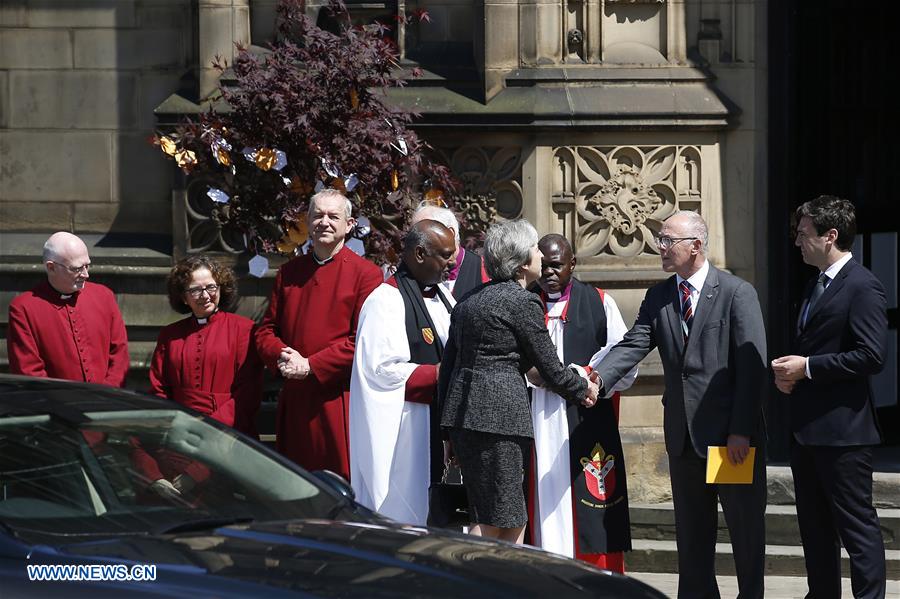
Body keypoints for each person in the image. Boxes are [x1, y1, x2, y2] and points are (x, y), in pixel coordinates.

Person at [592, 211, 767, 599]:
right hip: (683, 439)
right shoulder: (659, 297)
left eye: (668, 240)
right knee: (692, 540)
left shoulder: (737, 293)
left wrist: (741, 430)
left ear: (696, 246)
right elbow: (634, 344)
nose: (660, 247)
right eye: (661, 239)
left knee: (745, 534)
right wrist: (597, 379)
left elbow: (752, 370)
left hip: (730, 441)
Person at [439, 219, 599, 545]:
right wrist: (584, 388)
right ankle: (482, 573)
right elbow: (550, 367)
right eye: (536, 249)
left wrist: (447, 432)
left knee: (488, 511)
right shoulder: (522, 302)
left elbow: (448, 370)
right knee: (505, 518)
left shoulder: (468, 301)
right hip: (500, 421)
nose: (541, 255)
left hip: (464, 419)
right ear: (523, 262)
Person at [772, 195, 887, 599]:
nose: (796, 242)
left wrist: (808, 367)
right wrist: (791, 376)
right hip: (807, 432)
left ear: (830, 236)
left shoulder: (862, 286)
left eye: (803, 234)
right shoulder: (815, 284)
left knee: (857, 530)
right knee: (815, 531)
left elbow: (872, 355)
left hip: (844, 435)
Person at [255, 189, 383, 480]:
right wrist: (283, 356)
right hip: (295, 399)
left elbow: (362, 341)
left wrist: (311, 365)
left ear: (349, 225)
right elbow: (266, 331)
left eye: (333, 216)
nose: (324, 222)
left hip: (337, 399)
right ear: (308, 221)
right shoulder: (289, 272)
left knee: (339, 486)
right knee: (294, 485)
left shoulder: (366, 275)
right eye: (317, 215)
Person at [529, 233, 637, 573]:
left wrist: (586, 375)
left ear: (572, 264)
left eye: (556, 265)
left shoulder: (600, 303)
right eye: (543, 266)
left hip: (586, 424)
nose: (549, 273)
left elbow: (625, 364)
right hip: (535, 421)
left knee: (590, 515)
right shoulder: (523, 302)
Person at [349, 220, 457, 525]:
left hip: (441, 424)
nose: (452, 262)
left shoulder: (446, 298)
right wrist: (438, 373)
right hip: (409, 428)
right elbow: (379, 371)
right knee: (408, 516)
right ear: (420, 254)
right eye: (445, 255)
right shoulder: (384, 301)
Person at [149, 255, 263, 436]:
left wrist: (211, 427)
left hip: (229, 432)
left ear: (221, 288)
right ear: (184, 297)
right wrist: (175, 425)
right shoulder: (169, 335)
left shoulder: (244, 330)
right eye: (195, 290)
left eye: (211, 287)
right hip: (180, 430)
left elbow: (248, 391)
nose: (205, 295)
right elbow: (159, 387)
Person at [7, 231, 129, 387]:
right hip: (55, 401)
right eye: (76, 269)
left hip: (107, 398)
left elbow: (120, 354)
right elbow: (28, 369)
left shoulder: (104, 296)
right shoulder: (23, 308)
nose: (85, 274)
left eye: (87, 265)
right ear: (51, 267)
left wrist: (106, 393)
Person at [410, 202, 489, 299]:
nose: (414, 244)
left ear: (450, 233)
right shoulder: (412, 271)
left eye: (422, 235)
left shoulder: (484, 270)